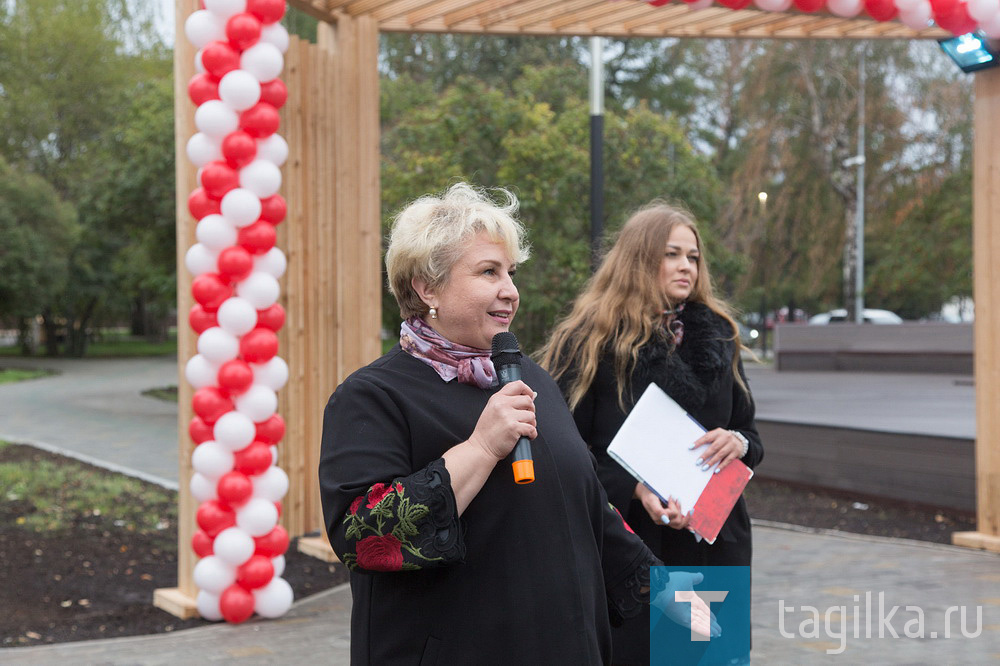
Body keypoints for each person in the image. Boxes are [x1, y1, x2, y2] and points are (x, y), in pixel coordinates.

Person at [319, 184, 714, 665]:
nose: (511, 290)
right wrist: (481, 448)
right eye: (489, 272)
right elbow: (362, 540)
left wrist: (659, 586)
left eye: (510, 272)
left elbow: (587, 504)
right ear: (427, 287)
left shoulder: (531, 379)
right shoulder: (373, 396)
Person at [540, 201, 763, 665]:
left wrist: (737, 442)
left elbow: (750, 433)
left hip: (713, 538)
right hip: (629, 543)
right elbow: (562, 447)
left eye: (693, 257)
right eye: (672, 254)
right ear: (640, 258)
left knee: (712, 657)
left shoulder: (719, 335)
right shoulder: (590, 338)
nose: (686, 266)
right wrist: (634, 488)